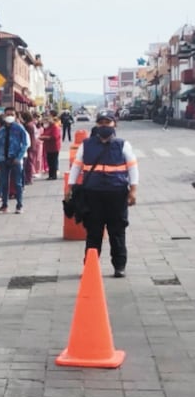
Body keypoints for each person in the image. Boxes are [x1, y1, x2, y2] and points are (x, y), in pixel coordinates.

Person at [66, 110, 138, 278]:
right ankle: (90, 266)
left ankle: (119, 267)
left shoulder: (122, 144)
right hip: (93, 195)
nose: (104, 126)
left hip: (117, 194)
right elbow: (76, 166)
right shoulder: (86, 144)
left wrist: (133, 190)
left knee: (117, 232)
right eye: (101, 123)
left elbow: (132, 167)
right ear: (96, 125)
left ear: (114, 124)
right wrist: (70, 187)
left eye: (108, 122)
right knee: (93, 232)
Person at [0, 107, 29, 214]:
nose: (9, 116)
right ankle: (4, 205)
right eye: (7, 114)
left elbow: (25, 143)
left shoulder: (19, 128)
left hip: (15, 159)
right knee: (4, 183)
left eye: (12, 114)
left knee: (18, 183)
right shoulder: (1, 130)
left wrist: (19, 157)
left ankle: (19, 205)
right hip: (3, 159)